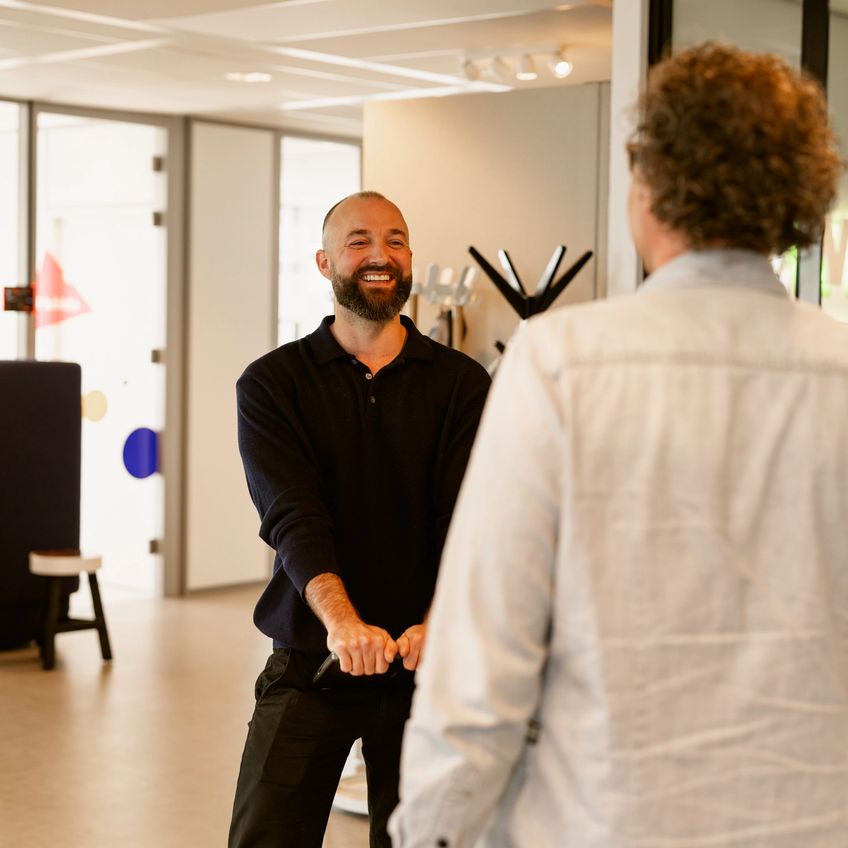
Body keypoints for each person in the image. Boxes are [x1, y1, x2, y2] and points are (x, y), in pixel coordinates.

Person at [390, 43, 848, 847]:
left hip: (606, 821)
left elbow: (483, 660)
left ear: (649, 187)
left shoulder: (561, 363)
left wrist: (432, 832)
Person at [228, 190, 490, 848]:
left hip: (427, 667)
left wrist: (438, 619)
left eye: (396, 241)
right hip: (312, 659)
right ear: (324, 263)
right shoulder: (272, 383)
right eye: (359, 241)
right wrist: (343, 623)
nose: (381, 254)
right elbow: (294, 515)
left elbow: (468, 518)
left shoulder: (462, 384)